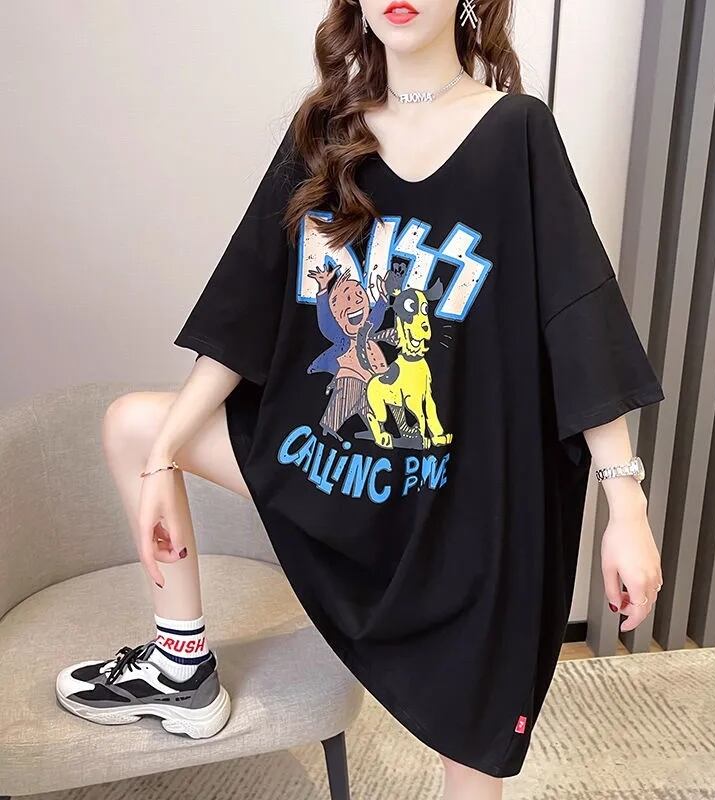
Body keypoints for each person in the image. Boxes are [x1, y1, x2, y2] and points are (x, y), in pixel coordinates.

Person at [55, 1, 666, 797]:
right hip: (331, 470)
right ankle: (181, 670)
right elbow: (245, 305)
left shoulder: (517, 132)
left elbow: (577, 318)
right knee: (135, 427)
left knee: (472, 744)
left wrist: (626, 504)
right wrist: (162, 459)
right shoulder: (325, 132)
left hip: (452, 505)